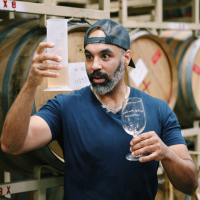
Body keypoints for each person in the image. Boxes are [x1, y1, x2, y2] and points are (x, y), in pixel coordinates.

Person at [1, 19, 198, 200]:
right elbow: (11, 144)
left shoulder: (158, 109)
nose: (95, 65)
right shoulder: (65, 107)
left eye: (105, 56)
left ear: (126, 58)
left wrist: (166, 153)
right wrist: (31, 84)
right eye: (89, 56)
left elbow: (190, 185)